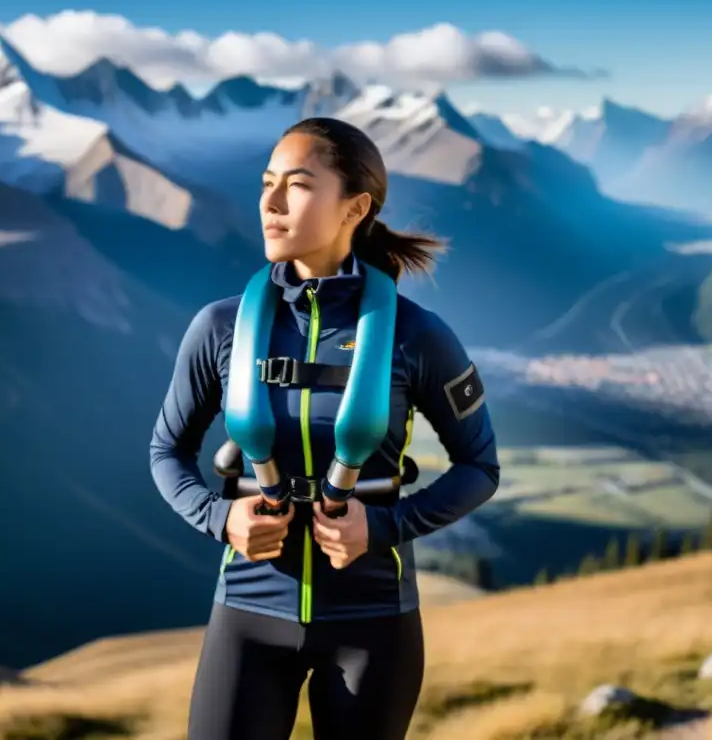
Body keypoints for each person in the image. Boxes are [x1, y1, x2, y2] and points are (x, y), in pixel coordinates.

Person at [149, 116, 500, 740]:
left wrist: (386, 525)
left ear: (355, 207)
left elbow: (480, 466)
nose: (271, 202)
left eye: (298, 185)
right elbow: (166, 450)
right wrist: (218, 517)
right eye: (266, 183)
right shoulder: (219, 328)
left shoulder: (417, 336)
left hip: (375, 627)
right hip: (248, 617)